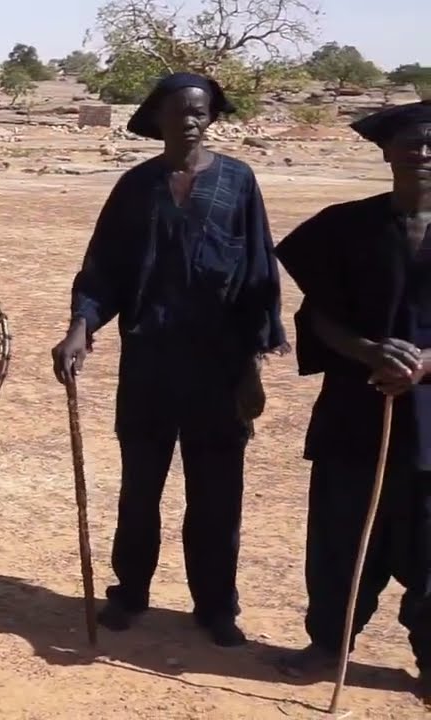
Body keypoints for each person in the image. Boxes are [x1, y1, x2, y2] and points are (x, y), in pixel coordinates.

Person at [50, 73, 287, 647]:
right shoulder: (136, 187)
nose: (191, 120)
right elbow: (104, 269)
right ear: (157, 118)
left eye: (200, 111)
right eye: (179, 111)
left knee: (217, 494)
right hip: (149, 362)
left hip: (219, 367)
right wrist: (80, 327)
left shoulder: (238, 181)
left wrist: (253, 364)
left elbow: (257, 273)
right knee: (140, 489)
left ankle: (216, 607)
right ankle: (130, 594)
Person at [272, 100, 431, 700]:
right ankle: (328, 644)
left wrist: (424, 364)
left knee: (429, 543)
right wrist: (367, 351)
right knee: (340, 535)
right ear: (386, 151)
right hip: (354, 411)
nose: (423, 152)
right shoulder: (341, 227)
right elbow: (319, 317)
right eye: (411, 141)